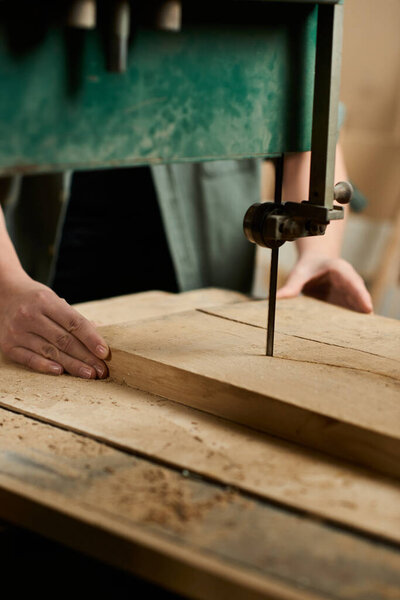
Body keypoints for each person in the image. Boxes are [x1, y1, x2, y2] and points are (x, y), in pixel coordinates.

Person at [0, 144, 372, 380]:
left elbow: (307, 138)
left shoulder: (254, 27)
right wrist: (7, 284)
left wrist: (321, 254)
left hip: (202, 330)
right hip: (39, 313)